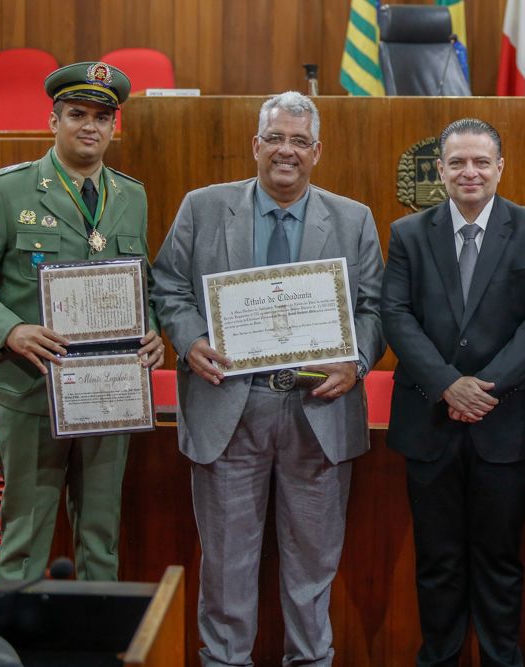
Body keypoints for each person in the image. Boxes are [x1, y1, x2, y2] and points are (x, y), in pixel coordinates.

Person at [151, 91, 384, 667]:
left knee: (313, 566)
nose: (287, 150)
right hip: (229, 404)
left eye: (299, 141)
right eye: (276, 138)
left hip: (318, 409)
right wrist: (190, 340)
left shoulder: (353, 218)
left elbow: (375, 307)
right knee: (226, 563)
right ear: (256, 145)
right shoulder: (203, 207)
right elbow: (168, 285)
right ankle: (224, 661)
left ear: (316, 152)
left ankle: (310, 661)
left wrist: (356, 361)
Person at [0, 62, 164, 581]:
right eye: (77, 114)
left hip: (109, 390)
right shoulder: (9, 191)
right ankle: (15, 631)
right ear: (53, 121)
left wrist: (153, 329)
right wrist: (11, 330)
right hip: (31, 389)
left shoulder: (131, 195)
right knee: (26, 537)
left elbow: (141, 281)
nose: (90, 126)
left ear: (114, 126)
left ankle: (95, 630)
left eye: (102, 117)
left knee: (101, 537)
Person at [381, 118, 525, 667]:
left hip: (506, 420)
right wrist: (447, 385)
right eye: (458, 162)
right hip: (429, 420)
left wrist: (484, 389)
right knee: (436, 560)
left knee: (500, 559)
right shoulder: (408, 233)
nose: (470, 172)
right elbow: (396, 315)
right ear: (440, 170)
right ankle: (438, 658)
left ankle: (501, 659)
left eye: (481, 162)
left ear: (500, 168)